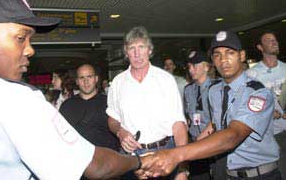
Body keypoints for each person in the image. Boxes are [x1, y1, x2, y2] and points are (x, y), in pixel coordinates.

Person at [0, 0, 147, 179]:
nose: (30, 50)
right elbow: (96, 166)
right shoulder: (13, 97)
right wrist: (138, 161)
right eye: (20, 38)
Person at [141, 30, 280, 180]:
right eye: (217, 55)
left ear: (242, 56)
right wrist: (187, 150)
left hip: (259, 174)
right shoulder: (215, 91)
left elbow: (233, 135)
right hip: (226, 171)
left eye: (229, 53)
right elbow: (216, 123)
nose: (223, 60)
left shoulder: (258, 93)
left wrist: (176, 154)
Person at [106, 26, 188, 180]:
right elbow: (112, 119)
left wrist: (183, 168)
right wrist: (120, 132)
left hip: (164, 152)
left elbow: (178, 124)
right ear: (126, 52)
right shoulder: (118, 83)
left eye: (141, 47)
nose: (137, 53)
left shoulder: (165, 80)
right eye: (132, 48)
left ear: (150, 50)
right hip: (132, 157)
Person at [247, 31, 286, 180]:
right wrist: (268, 113)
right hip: (266, 135)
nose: (274, 42)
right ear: (260, 47)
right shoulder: (252, 74)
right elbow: (248, 107)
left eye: (275, 40)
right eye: (269, 40)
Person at [60, 63, 119, 151]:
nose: (86, 81)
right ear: (77, 81)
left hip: (106, 159)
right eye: (82, 78)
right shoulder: (67, 106)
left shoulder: (109, 103)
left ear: (96, 79)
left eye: (89, 77)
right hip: (77, 158)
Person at [183, 51, 214, 180]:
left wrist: (205, 135)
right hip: (195, 141)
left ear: (206, 67)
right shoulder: (188, 89)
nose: (191, 70)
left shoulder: (218, 87)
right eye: (189, 66)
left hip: (213, 141)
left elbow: (219, 118)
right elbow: (188, 116)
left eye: (195, 66)